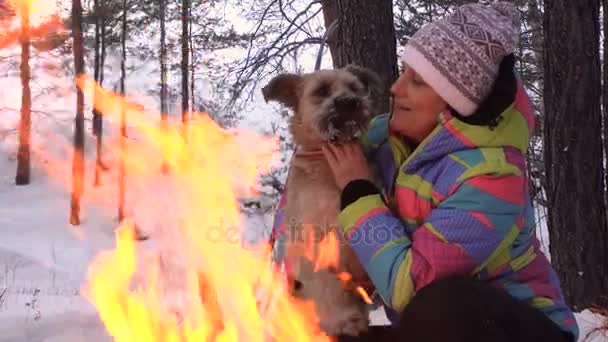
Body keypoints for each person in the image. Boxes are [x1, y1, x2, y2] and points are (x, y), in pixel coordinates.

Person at [271, 2, 579, 341]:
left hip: (520, 330)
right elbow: (305, 195)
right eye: (403, 73)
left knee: (441, 303)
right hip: (429, 330)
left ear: (454, 101)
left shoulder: (493, 177)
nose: (394, 88)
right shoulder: (382, 140)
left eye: (416, 82)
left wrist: (357, 189)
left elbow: (410, 286)